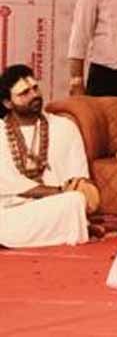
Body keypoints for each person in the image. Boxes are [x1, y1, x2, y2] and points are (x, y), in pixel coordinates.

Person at [1, 65, 99, 248]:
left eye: (35, 88)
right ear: (8, 103)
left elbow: (78, 178)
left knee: (74, 201)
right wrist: (58, 191)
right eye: (24, 93)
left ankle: (13, 238)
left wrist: (76, 189)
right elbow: (6, 183)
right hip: (9, 207)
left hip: (52, 207)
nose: (34, 95)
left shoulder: (64, 127)